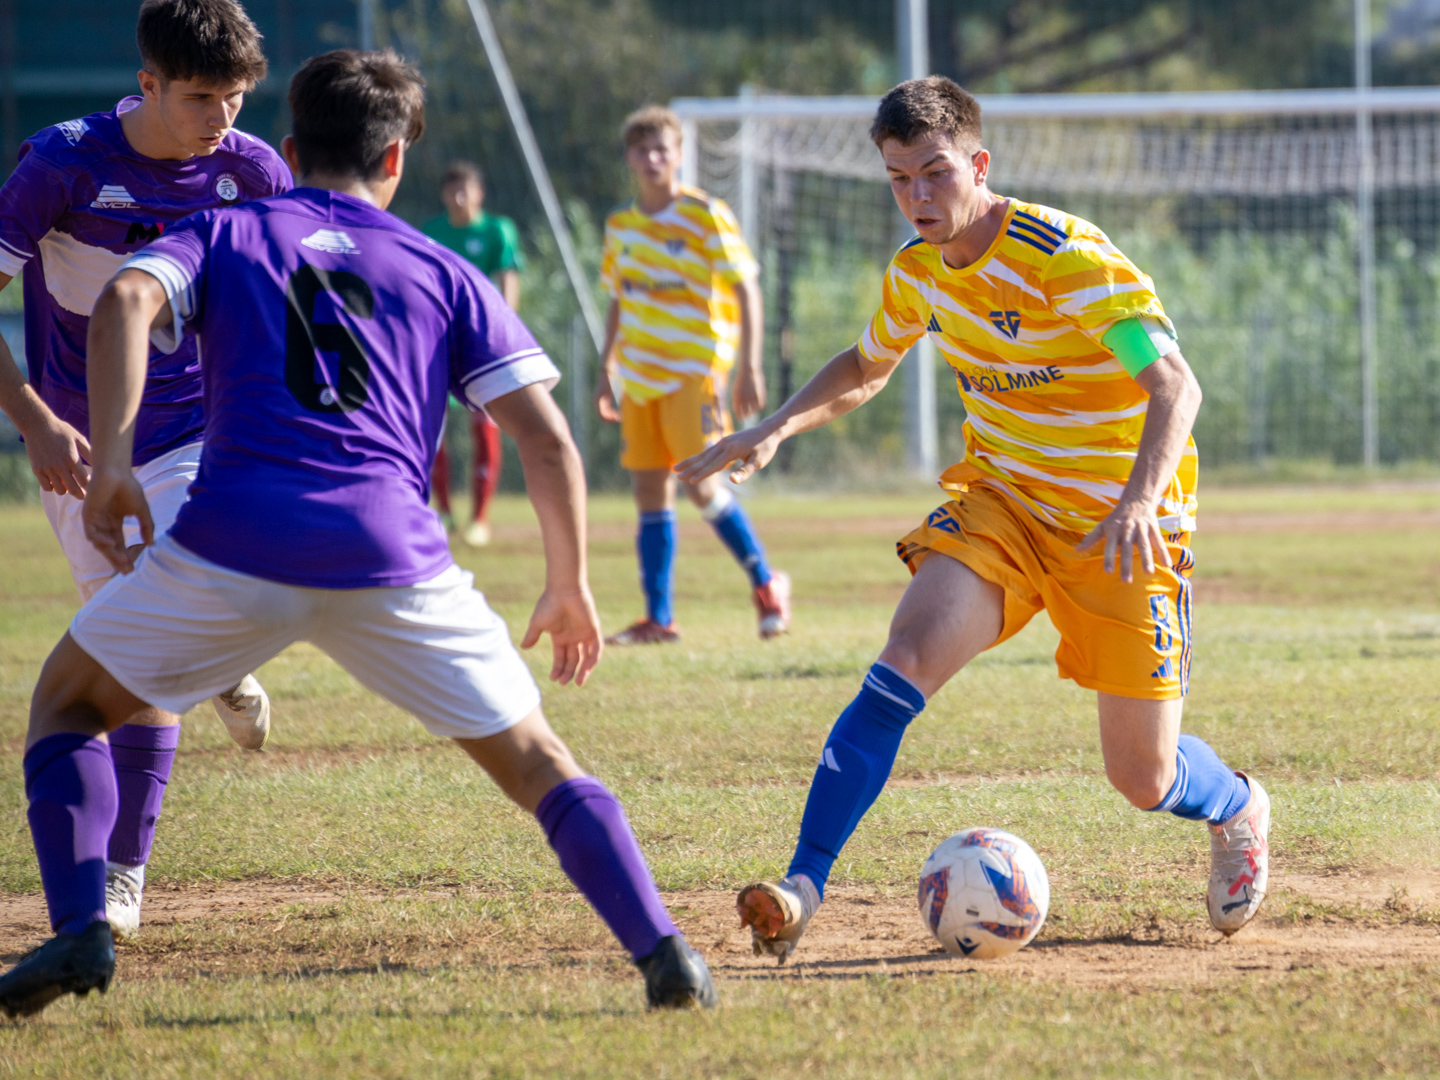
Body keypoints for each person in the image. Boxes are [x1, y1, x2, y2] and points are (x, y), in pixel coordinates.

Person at [0, 47, 715, 1019]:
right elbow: (548, 442)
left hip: (233, 542)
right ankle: (668, 956)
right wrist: (569, 583)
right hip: (392, 556)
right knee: (541, 762)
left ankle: (84, 925)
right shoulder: (443, 269)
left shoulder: (225, 230)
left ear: (290, 152)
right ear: (396, 161)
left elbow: (126, 299)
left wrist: (115, 461)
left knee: (66, 703)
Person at [679, 77, 1270, 963]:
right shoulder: (918, 274)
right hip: (1003, 508)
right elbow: (866, 365)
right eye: (898, 178)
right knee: (903, 661)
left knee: (1142, 777)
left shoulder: (1064, 260)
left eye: (935, 172)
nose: (917, 196)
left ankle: (1238, 806)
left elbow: (1174, 386)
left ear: (979, 163)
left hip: (1119, 525)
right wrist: (775, 426)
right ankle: (801, 888)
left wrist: (1140, 501)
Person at [0, 0, 291, 940]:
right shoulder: (62, 164)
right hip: (81, 447)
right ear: (148, 86)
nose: (222, 119)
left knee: (160, 604)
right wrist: (37, 423)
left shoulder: (254, 171)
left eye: (236, 98)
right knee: (134, 651)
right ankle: (216, 666)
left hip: (201, 429)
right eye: (201, 97)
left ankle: (124, 873)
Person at [596, 105, 789, 645]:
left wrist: (749, 364)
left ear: (679, 155)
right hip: (639, 379)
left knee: (703, 489)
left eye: (662, 149)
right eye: (642, 150)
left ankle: (767, 583)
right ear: (630, 158)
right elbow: (618, 298)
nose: (652, 159)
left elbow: (746, 287)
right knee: (649, 494)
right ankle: (659, 618)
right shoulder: (621, 226)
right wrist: (606, 367)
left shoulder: (706, 215)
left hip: (694, 374)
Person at [423, 160, 522, 547]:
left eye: (466, 189)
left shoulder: (497, 230)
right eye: (453, 189)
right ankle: (444, 511)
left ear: (480, 193)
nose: (460, 197)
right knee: (433, 427)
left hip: (482, 341)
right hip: (440, 342)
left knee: (484, 425)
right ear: (444, 195)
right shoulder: (432, 232)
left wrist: (504, 331)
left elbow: (508, 278)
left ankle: (480, 518)